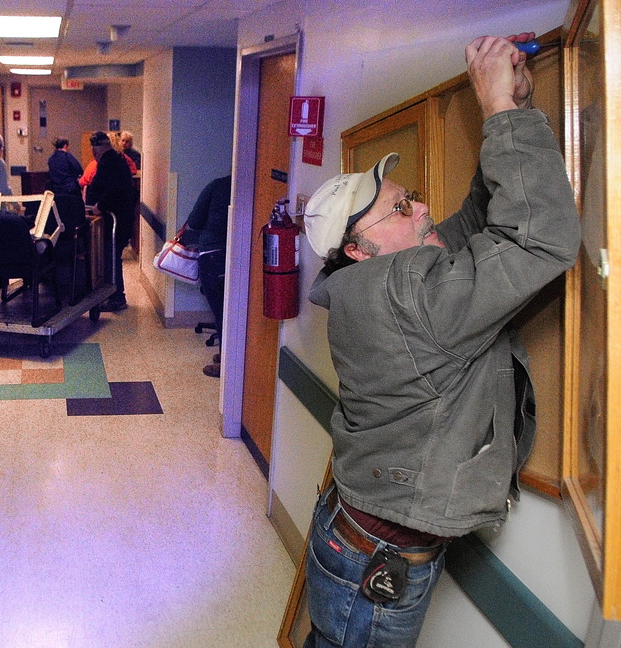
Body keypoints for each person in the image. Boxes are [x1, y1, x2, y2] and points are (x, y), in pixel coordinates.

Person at [299, 34, 579, 648]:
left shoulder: (368, 284)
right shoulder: (408, 294)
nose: (423, 208)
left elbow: (481, 225)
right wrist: (499, 111)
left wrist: (516, 110)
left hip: (358, 536)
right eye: (401, 210)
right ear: (358, 249)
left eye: (410, 199)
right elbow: (539, 241)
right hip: (376, 561)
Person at [185, 175, 231, 378]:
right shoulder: (258, 189)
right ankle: (230, 355)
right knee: (234, 310)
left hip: (213, 254)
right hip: (241, 256)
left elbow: (194, 222)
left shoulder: (217, 185)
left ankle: (226, 363)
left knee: (221, 310)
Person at [86, 130, 136, 312]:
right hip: (122, 218)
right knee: (112, 257)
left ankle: (116, 297)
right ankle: (114, 295)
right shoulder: (116, 159)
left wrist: (100, 205)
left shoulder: (108, 163)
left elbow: (114, 190)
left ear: (96, 150)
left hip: (115, 221)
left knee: (111, 257)